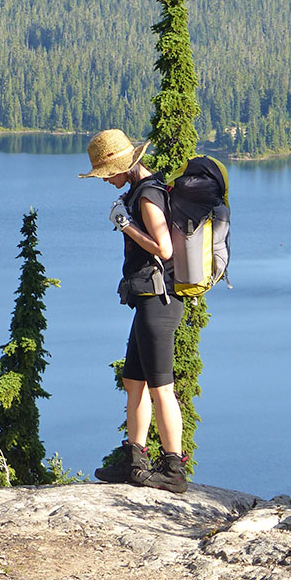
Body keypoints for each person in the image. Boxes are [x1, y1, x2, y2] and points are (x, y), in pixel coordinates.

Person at [79, 129, 188, 493]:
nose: (105, 180)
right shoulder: (139, 191)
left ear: (123, 166)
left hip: (160, 301)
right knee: (134, 381)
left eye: (106, 173)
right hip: (148, 301)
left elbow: (164, 248)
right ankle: (135, 459)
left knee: (162, 388)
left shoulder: (148, 195)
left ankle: (173, 469)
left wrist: (125, 225)